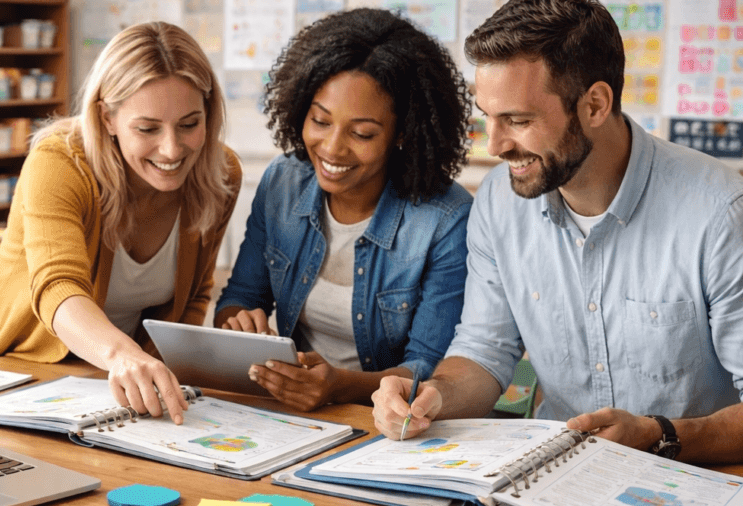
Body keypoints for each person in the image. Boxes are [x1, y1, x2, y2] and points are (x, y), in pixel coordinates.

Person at [371, 0, 743, 464]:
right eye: (487, 115)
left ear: (595, 105)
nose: (495, 145)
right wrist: (433, 398)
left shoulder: (720, 213)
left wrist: (657, 433)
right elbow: (485, 353)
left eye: (519, 121)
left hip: (692, 479)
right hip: (554, 475)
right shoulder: (500, 201)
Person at [0, 22, 241, 424]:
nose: (172, 148)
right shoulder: (60, 161)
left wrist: (154, 368)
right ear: (106, 117)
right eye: (147, 128)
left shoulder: (221, 173)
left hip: (114, 384)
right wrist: (124, 356)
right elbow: (59, 287)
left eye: (189, 124)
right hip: (20, 370)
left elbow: (194, 296)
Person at [213, 8, 472, 412]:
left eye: (362, 133)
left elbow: (430, 366)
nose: (332, 148)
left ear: (403, 132)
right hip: (293, 412)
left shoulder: (445, 219)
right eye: (320, 120)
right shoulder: (283, 183)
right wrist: (240, 325)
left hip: (392, 422)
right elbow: (241, 296)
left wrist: (342, 387)